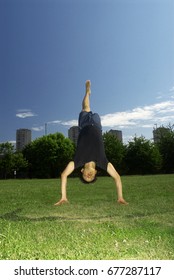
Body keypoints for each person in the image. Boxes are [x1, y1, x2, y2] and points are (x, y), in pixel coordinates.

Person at [54, 80, 128, 206]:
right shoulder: (103, 162)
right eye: (91, 177)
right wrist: (120, 197)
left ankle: (87, 92)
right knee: (89, 110)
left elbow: (64, 175)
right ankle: (89, 93)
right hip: (97, 126)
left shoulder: (77, 161)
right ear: (95, 173)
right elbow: (117, 177)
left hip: (84, 125)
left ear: (82, 170)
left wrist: (64, 196)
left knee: (85, 108)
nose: (88, 176)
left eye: (85, 177)